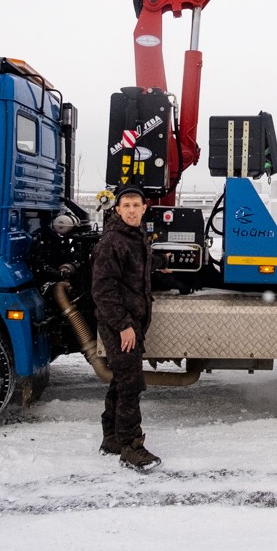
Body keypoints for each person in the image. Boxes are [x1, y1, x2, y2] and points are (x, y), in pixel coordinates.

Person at [91, 184, 162, 471]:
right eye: (127, 206)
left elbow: (136, 269)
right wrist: (123, 326)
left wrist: (161, 263)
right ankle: (132, 447)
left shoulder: (134, 237)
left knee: (121, 380)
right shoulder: (112, 242)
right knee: (131, 383)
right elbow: (103, 290)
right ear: (117, 209)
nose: (132, 210)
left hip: (131, 321)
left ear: (144, 208)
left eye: (137, 205)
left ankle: (111, 437)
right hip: (120, 324)